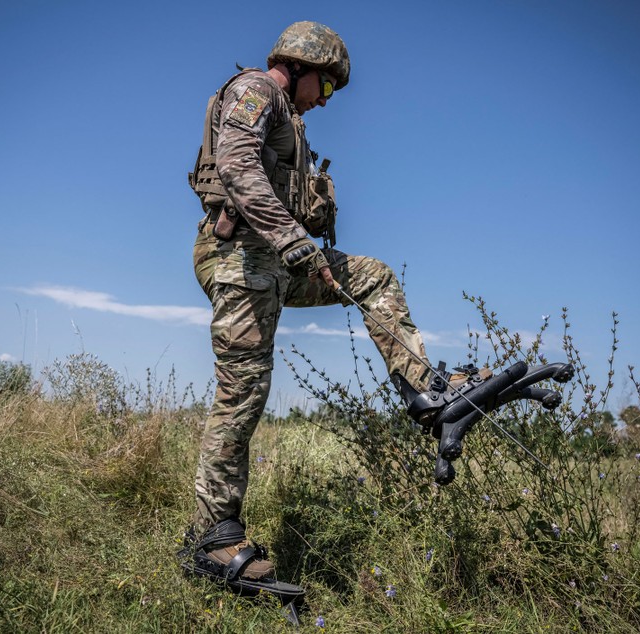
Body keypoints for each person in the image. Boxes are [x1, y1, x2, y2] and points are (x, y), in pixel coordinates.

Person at [186, 21, 445, 581]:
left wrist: (305, 247)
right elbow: (235, 164)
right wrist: (294, 240)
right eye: (327, 88)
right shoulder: (256, 90)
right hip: (240, 262)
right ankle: (212, 540)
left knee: (373, 277)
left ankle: (426, 392)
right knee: (243, 393)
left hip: (279, 263)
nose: (327, 102)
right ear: (301, 66)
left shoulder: (292, 119)